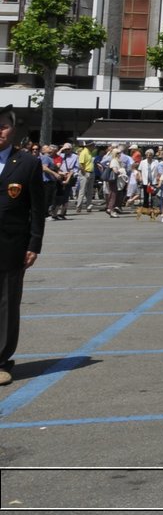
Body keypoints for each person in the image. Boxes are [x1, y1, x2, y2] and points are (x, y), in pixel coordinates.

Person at [0, 105, 49, 386]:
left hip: (11, 245)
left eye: (4, 126)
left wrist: (34, 244)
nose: (0, 131)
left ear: (13, 129)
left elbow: (37, 208)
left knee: (6, 303)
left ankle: (2, 360)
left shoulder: (27, 163)